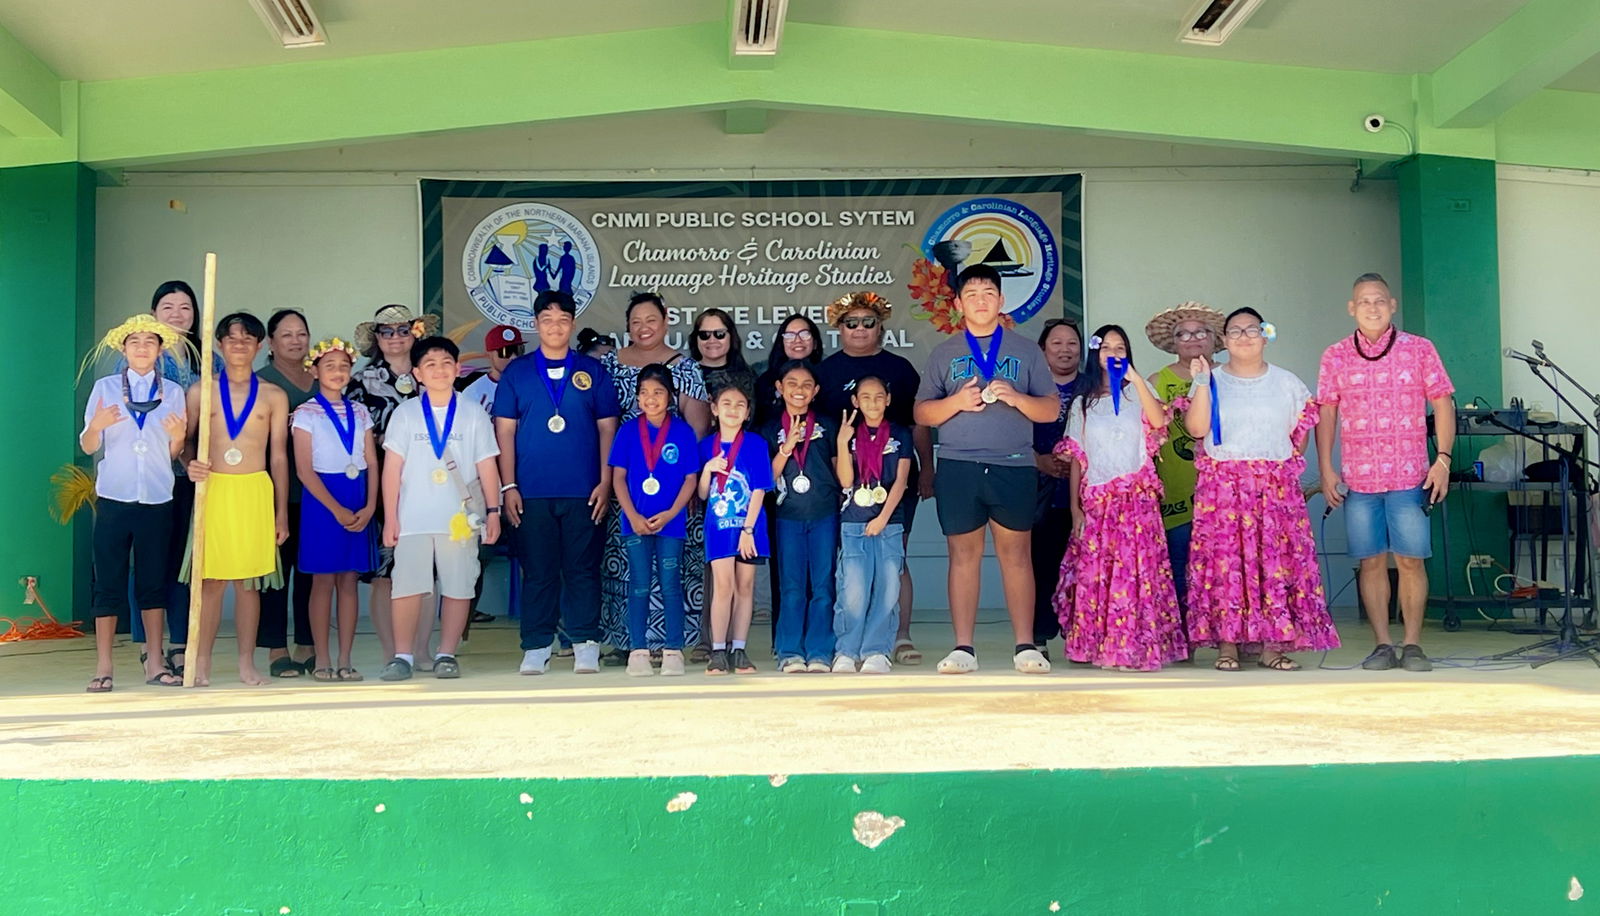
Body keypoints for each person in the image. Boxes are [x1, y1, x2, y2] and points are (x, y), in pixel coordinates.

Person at [914, 264, 1059, 675]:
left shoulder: (1027, 350)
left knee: (1017, 555)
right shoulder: (944, 352)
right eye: (971, 293)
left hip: (1013, 463)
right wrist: (955, 403)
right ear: (958, 304)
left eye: (989, 292)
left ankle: (1025, 645)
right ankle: (963, 648)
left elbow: (1049, 409)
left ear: (1001, 300)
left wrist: (1016, 397)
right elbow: (922, 411)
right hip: (958, 464)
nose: (981, 300)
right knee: (963, 556)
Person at [1184, 309, 1339, 670]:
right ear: (1223, 339)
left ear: (1265, 335)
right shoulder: (1211, 378)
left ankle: (1274, 646)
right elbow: (1196, 428)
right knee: (1226, 564)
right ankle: (1227, 646)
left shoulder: (1287, 383)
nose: (1244, 336)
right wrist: (1203, 384)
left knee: (1275, 566)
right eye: (1235, 330)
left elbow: (1299, 437)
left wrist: (1271, 470)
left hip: (1274, 488)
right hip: (1223, 488)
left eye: (1252, 329)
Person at [1316, 273, 1454, 672]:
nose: (1372, 307)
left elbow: (1443, 403)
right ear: (1351, 308)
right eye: (1364, 301)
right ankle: (1381, 644)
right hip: (1358, 478)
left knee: (1411, 560)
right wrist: (1326, 468)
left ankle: (1412, 644)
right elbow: (1326, 412)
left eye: (1379, 300)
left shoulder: (1419, 349)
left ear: (1392, 305)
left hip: (1411, 475)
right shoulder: (1335, 356)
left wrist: (1442, 459)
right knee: (1371, 561)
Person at [495, 290, 621, 675]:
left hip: (584, 490)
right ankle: (536, 644)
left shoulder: (592, 371)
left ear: (573, 324)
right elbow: (504, 433)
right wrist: (508, 486)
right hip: (531, 491)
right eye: (547, 320)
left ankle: (585, 642)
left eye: (562, 320)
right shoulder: (517, 373)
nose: (555, 326)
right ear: (536, 325)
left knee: (583, 569)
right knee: (538, 570)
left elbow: (608, 429)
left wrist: (605, 482)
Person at [1053, 325, 1187, 671]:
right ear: (1095, 355)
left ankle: (1138, 646)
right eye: (1106, 347)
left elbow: (1158, 422)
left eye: (1120, 347)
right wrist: (1075, 508)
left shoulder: (1138, 394)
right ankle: (1098, 645)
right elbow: (1078, 459)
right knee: (1100, 575)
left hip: (1138, 500)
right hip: (1098, 502)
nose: (1113, 353)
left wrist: (1137, 380)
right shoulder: (1083, 404)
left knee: (1138, 575)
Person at [816, 291, 934, 665]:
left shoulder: (900, 369)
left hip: (893, 481)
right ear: (839, 328)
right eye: (852, 323)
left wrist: (928, 468)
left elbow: (917, 425)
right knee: (850, 564)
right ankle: (848, 644)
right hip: (841, 482)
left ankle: (898, 637)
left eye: (868, 322)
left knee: (893, 559)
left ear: (880, 327)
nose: (860, 329)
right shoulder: (825, 372)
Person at [377, 336, 501, 681]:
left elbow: (488, 465)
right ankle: (402, 655)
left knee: (459, 585)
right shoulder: (405, 414)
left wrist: (493, 512)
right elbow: (392, 470)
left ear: (458, 368)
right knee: (407, 587)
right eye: (429, 364)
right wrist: (390, 518)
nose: (439, 370)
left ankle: (447, 653)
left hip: (460, 518)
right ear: (417, 373)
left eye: (446, 362)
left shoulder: (473, 412)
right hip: (413, 517)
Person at [79, 314, 190, 691]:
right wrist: (96, 426)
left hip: (157, 497)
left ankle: (155, 662)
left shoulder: (173, 391)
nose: (142, 348)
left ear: (160, 350)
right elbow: (89, 445)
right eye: (135, 342)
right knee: (107, 582)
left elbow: (173, 453)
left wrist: (177, 437)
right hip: (114, 496)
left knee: (152, 582)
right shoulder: (106, 388)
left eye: (150, 342)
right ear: (123, 349)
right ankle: (104, 665)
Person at [599, 292, 711, 663]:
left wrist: (680, 481)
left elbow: (696, 430)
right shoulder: (610, 364)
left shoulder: (685, 367)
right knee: (630, 573)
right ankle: (630, 644)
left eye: (651, 319)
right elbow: (604, 424)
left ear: (665, 321)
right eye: (635, 321)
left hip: (673, 491)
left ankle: (672, 645)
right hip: (629, 489)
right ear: (627, 325)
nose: (643, 328)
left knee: (671, 574)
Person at [185, 312, 291, 687]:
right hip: (215, 489)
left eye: (248, 339)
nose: (240, 345)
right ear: (219, 344)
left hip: (254, 491)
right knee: (210, 582)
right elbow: (186, 443)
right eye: (232, 338)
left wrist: (281, 514)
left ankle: (247, 662)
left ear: (260, 346)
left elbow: (279, 455)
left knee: (249, 584)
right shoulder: (202, 391)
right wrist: (189, 464)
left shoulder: (273, 396)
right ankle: (202, 662)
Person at [351, 305, 439, 665]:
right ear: (376, 339)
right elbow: (357, 439)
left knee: (428, 571)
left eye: (403, 330)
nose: (395, 337)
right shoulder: (360, 381)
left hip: (431, 482)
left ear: (415, 332)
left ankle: (421, 649)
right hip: (385, 481)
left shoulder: (432, 374)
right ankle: (393, 652)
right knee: (385, 574)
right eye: (386, 332)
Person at [292, 337, 378, 681]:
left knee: (349, 580)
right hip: (323, 501)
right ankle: (323, 658)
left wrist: (371, 505)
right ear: (315, 371)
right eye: (330, 366)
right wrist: (335, 509)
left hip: (356, 495)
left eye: (344, 366)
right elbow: (303, 469)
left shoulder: (360, 411)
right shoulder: (305, 413)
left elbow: (371, 460)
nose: (338, 372)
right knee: (322, 582)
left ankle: (346, 657)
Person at [610, 365, 703, 676]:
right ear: (637, 398)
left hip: (671, 525)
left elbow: (691, 479)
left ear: (671, 396)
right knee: (638, 585)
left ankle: (673, 650)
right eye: (645, 393)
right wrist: (632, 515)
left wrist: (671, 513)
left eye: (659, 392)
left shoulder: (682, 431)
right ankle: (638, 650)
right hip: (634, 524)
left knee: (670, 586)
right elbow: (618, 478)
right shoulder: (627, 431)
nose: (651, 399)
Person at [1144, 302, 1226, 632]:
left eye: (1200, 332)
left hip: (1224, 489)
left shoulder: (1229, 376)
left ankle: (1229, 634)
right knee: (1178, 563)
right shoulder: (1155, 380)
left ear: (1213, 338)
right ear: (1173, 342)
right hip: (1175, 487)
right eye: (1183, 334)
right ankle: (1182, 638)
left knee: (1226, 564)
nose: (1192, 339)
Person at [760, 360, 841, 673]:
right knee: (792, 587)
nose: (799, 390)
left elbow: (839, 470)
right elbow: (766, 479)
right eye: (791, 383)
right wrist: (786, 448)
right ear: (779, 388)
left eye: (807, 384)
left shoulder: (828, 424)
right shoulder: (769, 428)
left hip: (824, 514)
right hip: (787, 516)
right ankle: (789, 651)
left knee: (823, 586)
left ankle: (820, 650)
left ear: (816, 391)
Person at [831, 376, 913, 674]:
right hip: (853, 521)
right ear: (855, 401)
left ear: (888, 399)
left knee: (888, 588)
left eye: (879, 397)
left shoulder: (901, 434)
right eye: (865, 397)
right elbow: (845, 481)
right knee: (853, 589)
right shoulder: (849, 435)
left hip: (889, 522)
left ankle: (877, 650)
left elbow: (901, 482)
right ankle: (847, 650)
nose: (873, 403)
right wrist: (842, 442)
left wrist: (882, 518)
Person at [256, 308, 317, 677]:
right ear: (272, 342)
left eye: (301, 333)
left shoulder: (321, 376)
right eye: (287, 334)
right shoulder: (261, 381)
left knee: (311, 572)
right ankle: (276, 649)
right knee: (275, 575)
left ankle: (307, 643)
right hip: (274, 492)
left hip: (317, 494)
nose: (295, 341)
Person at [698, 383, 773, 674]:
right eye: (726, 403)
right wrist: (707, 470)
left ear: (748, 412)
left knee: (745, 587)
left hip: (749, 528)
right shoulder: (706, 445)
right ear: (714, 409)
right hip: (718, 528)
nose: (733, 409)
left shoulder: (754, 443)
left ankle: (739, 648)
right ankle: (718, 650)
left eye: (740, 404)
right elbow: (703, 495)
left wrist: (749, 530)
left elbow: (758, 489)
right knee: (723, 587)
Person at [1030, 318, 1082, 652]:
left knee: (1085, 567)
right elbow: (1010, 435)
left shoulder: (1095, 387)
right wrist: (1040, 461)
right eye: (1057, 344)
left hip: (1086, 494)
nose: (1065, 350)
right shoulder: (1030, 389)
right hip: (1040, 492)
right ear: (1043, 350)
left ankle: (1082, 635)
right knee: (1041, 564)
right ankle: (1039, 636)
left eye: (1072, 344)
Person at [753, 313, 823, 428]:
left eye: (805, 334)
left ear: (815, 343)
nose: (797, 340)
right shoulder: (765, 381)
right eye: (790, 336)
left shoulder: (828, 375)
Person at [690, 308, 756, 404]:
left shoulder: (747, 377)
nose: (712, 340)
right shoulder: (684, 376)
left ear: (731, 337)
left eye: (719, 334)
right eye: (704, 334)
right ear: (696, 339)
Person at [460, 324, 524, 414]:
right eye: (505, 352)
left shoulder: (532, 386)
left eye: (518, 350)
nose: (513, 357)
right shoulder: (473, 392)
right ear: (489, 354)